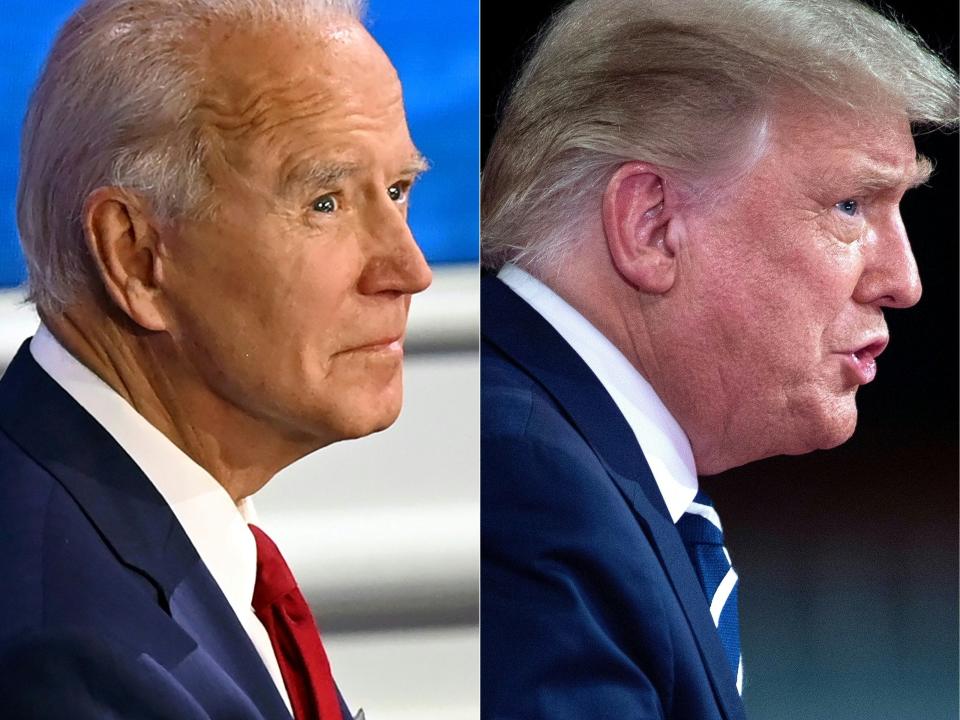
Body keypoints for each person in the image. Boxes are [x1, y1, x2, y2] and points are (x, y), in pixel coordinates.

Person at [480, 0, 957, 717]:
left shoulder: (574, 468)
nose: (905, 281)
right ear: (653, 226)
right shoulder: (530, 490)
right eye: (852, 205)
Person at [0, 0, 432, 718]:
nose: (408, 268)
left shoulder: (119, 537)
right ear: (135, 255)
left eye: (397, 191)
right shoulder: (69, 655)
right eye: (325, 202)